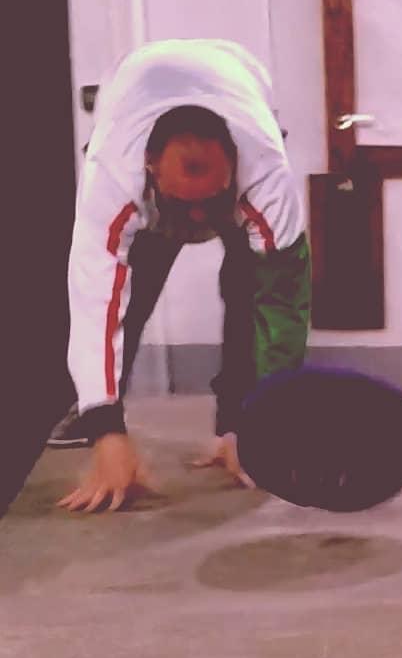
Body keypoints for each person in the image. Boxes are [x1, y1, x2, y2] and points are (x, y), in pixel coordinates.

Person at [56, 38, 310, 512]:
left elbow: (281, 311)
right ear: (149, 166)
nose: (197, 221)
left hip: (239, 73)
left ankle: (234, 424)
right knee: (134, 290)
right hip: (133, 83)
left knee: (246, 290)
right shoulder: (113, 175)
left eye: (208, 203)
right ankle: (95, 409)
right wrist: (105, 428)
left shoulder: (266, 174)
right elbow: (96, 302)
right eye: (184, 204)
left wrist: (259, 424)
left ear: (235, 166)